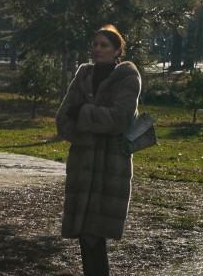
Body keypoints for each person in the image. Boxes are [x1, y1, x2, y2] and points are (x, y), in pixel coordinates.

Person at [56, 24, 141, 276]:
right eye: (95, 44)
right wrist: (93, 128)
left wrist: (83, 114)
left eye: (104, 45)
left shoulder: (127, 77)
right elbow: (62, 120)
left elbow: (121, 118)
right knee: (84, 232)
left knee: (95, 232)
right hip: (82, 162)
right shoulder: (83, 75)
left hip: (110, 165)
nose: (97, 49)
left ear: (117, 50)